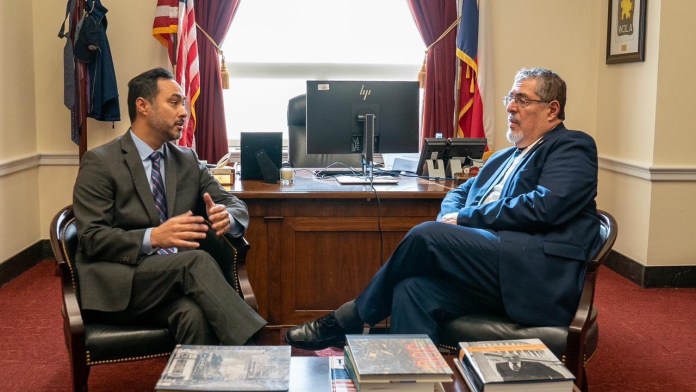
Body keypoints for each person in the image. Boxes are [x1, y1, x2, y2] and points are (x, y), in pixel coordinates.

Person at [285, 67, 603, 350]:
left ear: (553, 109)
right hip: (491, 264)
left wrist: (462, 220)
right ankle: (408, 382)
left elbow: (545, 206)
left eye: (522, 99)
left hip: (532, 272)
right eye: (510, 97)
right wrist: (449, 220)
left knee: (427, 236)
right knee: (412, 290)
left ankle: (351, 318)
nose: (510, 106)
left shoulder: (572, 146)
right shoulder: (504, 156)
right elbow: (460, 192)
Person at [72, 67, 266, 345]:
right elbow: (92, 239)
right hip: (124, 283)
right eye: (174, 103)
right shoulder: (100, 163)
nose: (184, 112)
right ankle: (255, 347)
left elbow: (233, 204)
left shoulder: (186, 160)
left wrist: (227, 217)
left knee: (193, 316)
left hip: (174, 281)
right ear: (143, 106)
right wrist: (153, 237)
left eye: (184, 104)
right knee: (195, 261)